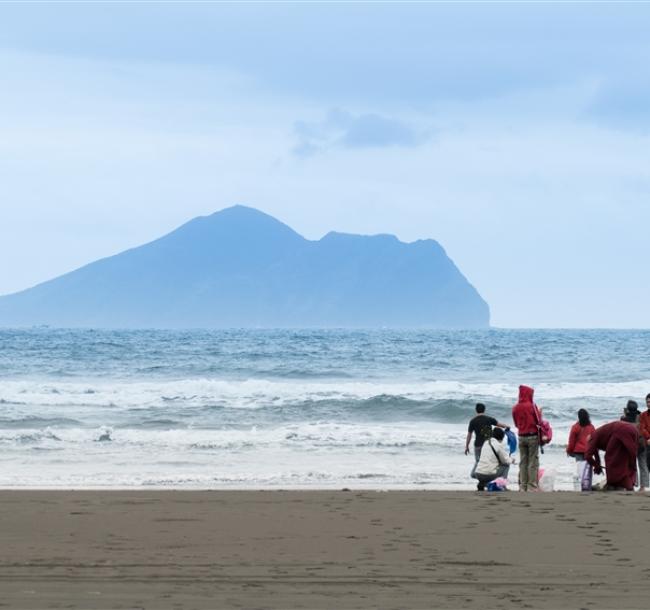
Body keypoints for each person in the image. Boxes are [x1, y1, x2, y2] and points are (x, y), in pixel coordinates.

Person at [585, 420, 640, 491]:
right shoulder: (596, 435)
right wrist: (597, 465)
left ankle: (614, 484)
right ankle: (625, 484)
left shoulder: (592, 438)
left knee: (610, 458)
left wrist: (597, 466)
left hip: (620, 430)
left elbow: (587, 456)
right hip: (633, 429)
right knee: (626, 459)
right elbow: (596, 455)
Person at [465, 403, 510, 477]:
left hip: (478, 445)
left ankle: (475, 475)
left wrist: (466, 446)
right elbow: (499, 425)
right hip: (488, 445)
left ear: (476, 410)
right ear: (484, 410)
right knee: (490, 462)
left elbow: (469, 434)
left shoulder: (473, 421)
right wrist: (507, 426)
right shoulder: (489, 419)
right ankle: (488, 477)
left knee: (478, 462)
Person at [512, 385, 542, 491]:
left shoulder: (515, 407)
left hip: (521, 436)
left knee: (523, 462)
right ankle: (531, 486)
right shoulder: (532, 406)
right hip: (532, 436)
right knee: (532, 462)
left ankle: (522, 486)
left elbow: (516, 424)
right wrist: (540, 413)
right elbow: (538, 422)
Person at [620, 400, 648, 492]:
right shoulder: (640, 417)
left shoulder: (623, 419)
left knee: (630, 465)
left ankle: (631, 484)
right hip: (641, 444)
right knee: (643, 465)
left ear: (628, 409)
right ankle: (643, 487)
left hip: (629, 445)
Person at [640, 393, 650, 475]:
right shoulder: (643, 415)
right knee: (648, 465)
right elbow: (642, 428)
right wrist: (648, 438)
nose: (648, 404)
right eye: (647, 402)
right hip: (648, 443)